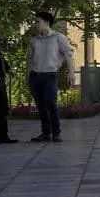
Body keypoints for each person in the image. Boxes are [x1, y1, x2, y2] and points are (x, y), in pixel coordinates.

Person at [26, 12, 74, 143]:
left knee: (50, 104)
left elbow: (68, 55)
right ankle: (45, 132)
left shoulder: (58, 38)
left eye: (38, 22)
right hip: (35, 77)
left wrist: (71, 73)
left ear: (47, 23)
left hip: (49, 76)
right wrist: (27, 77)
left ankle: (56, 132)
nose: (35, 25)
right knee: (40, 105)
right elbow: (29, 60)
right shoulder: (33, 41)